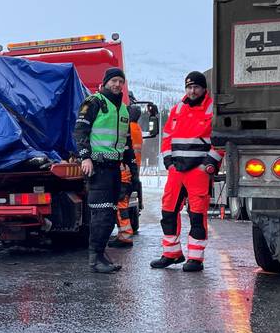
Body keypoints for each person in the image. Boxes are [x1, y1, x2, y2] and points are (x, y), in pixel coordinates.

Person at [151, 70, 223, 272]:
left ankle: (196, 259)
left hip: (198, 171)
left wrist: (207, 165)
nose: (192, 91)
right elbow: (166, 138)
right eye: (189, 87)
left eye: (196, 87)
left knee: (197, 215)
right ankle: (171, 254)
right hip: (177, 170)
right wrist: (169, 163)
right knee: (168, 211)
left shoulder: (212, 110)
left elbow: (219, 141)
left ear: (203, 89)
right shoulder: (177, 110)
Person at [73, 67, 136, 273]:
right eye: (113, 81)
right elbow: (80, 131)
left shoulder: (123, 109)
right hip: (97, 166)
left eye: (120, 81)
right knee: (101, 214)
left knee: (110, 213)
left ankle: (100, 255)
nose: (117, 85)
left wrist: (129, 162)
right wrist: (85, 157)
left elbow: (126, 139)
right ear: (106, 82)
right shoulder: (94, 102)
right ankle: (95, 259)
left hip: (114, 168)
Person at [110, 92, 145, 247]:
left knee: (120, 204)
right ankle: (125, 234)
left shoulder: (127, 127)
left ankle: (124, 235)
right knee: (122, 204)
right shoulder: (136, 128)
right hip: (130, 171)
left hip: (123, 171)